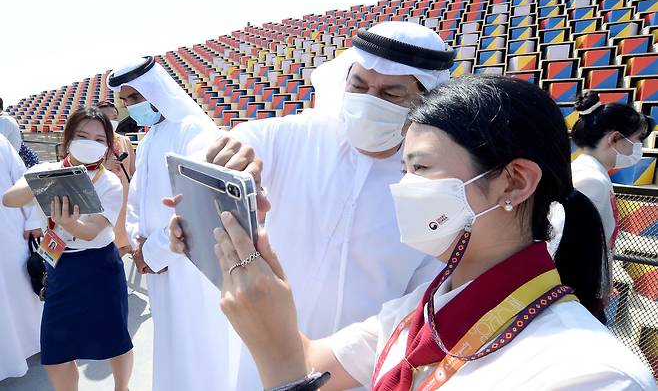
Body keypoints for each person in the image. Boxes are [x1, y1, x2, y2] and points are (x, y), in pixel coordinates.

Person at [211, 75, 656, 390]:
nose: (402, 188)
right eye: (403, 169)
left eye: (421, 168)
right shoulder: (418, 312)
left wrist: (276, 362)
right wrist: (249, 264)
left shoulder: (590, 375)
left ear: (515, 182)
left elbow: (292, 370)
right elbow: (311, 364)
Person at [169, 21, 453, 389]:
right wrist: (222, 176)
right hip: (260, 359)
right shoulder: (296, 135)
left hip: (357, 372)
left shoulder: (431, 183)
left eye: (391, 94)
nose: (369, 99)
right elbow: (224, 149)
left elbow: (425, 294)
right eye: (359, 85)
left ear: (424, 99)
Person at [107, 56, 263, 391]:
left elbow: (200, 203)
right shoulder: (149, 139)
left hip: (191, 270)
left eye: (135, 98)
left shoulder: (192, 130)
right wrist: (139, 246)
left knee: (202, 353)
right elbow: (137, 204)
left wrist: (156, 251)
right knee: (175, 351)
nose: (131, 107)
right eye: (125, 102)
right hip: (159, 269)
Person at [3, 107, 133, 391]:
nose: (90, 143)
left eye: (99, 139)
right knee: (55, 351)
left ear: (108, 146)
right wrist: (40, 186)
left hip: (100, 266)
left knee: (115, 339)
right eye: (82, 135)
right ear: (67, 138)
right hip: (60, 266)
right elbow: (9, 200)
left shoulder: (109, 183)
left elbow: (90, 231)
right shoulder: (44, 170)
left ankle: (122, 387)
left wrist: (71, 224)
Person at [570, 91, 654, 320]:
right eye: (636, 140)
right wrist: (597, 291)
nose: (637, 148)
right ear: (614, 138)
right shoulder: (590, 181)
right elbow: (577, 252)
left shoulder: (593, 174)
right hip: (580, 298)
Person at [0, 133, 43, 382]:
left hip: (9, 232)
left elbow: (23, 181)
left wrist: (34, 219)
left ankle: (27, 345)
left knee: (20, 291)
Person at [97, 101, 136, 253]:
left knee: (124, 243)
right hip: (105, 199)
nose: (112, 121)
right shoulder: (93, 143)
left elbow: (133, 170)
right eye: (107, 117)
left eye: (114, 117)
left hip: (125, 200)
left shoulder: (124, 141)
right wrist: (105, 167)